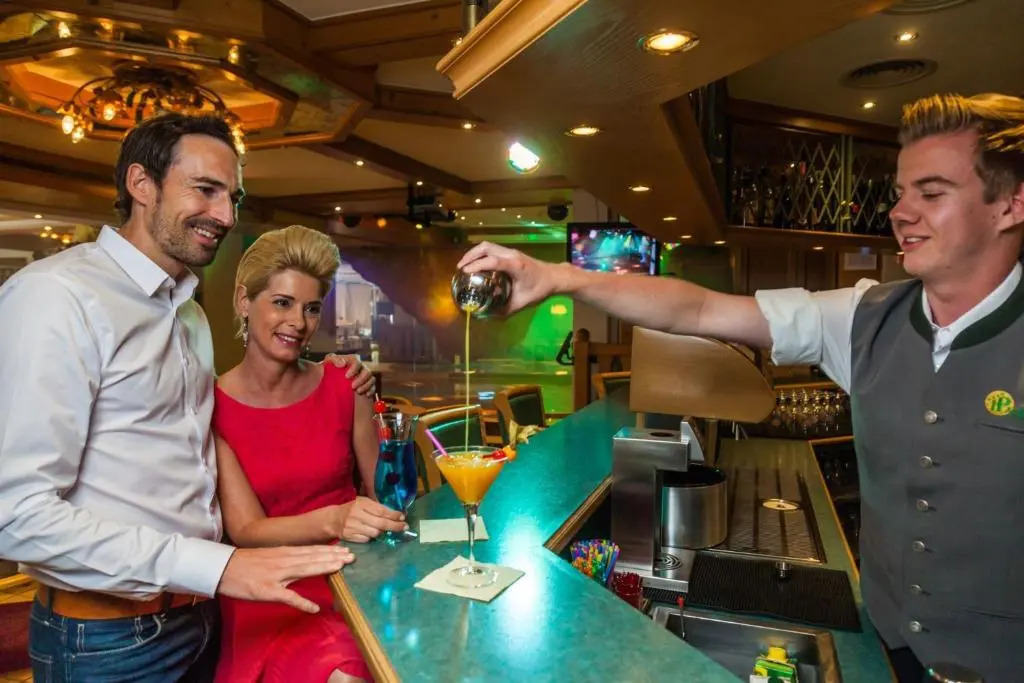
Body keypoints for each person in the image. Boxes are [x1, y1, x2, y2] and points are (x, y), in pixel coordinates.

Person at [457, 92, 1024, 682]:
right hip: (886, 648)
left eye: (931, 194)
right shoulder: (865, 317)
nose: (901, 213)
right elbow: (699, 310)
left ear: (1011, 204)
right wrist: (558, 277)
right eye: (902, 193)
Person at [0, 113, 374, 682]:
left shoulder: (191, 317)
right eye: (205, 190)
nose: (226, 216)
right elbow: (16, 515)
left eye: (233, 197)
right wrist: (217, 567)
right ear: (141, 184)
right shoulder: (57, 296)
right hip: (107, 642)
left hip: (203, 620)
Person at [212, 225, 407, 682]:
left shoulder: (344, 383)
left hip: (354, 574)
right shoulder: (211, 405)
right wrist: (335, 520)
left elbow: (386, 494)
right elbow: (246, 530)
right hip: (269, 585)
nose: (298, 323)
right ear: (244, 301)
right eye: (282, 303)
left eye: (311, 308)